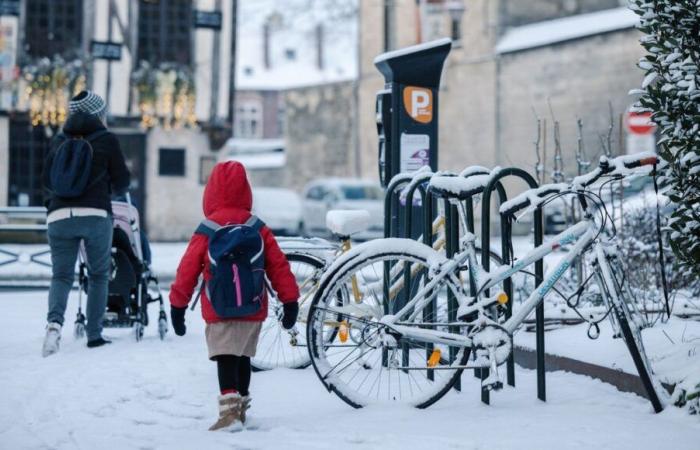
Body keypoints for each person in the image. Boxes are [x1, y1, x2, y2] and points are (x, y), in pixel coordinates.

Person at [169, 161, 299, 431]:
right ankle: (241, 411)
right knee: (243, 357)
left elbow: (187, 269)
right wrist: (290, 300)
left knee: (225, 356)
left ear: (211, 193)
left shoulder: (207, 228)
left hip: (219, 308)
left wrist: (177, 306)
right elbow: (278, 265)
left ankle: (229, 415)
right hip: (253, 307)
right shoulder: (257, 226)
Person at [41, 91, 130, 356]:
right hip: (95, 214)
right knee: (98, 275)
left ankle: (54, 327)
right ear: (97, 114)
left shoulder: (59, 140)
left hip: (58, 217)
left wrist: (53, 206)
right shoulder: (106, 139)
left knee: (61, 276)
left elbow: (46, 180)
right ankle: (94, 334)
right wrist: (105, 191)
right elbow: (122, 181)